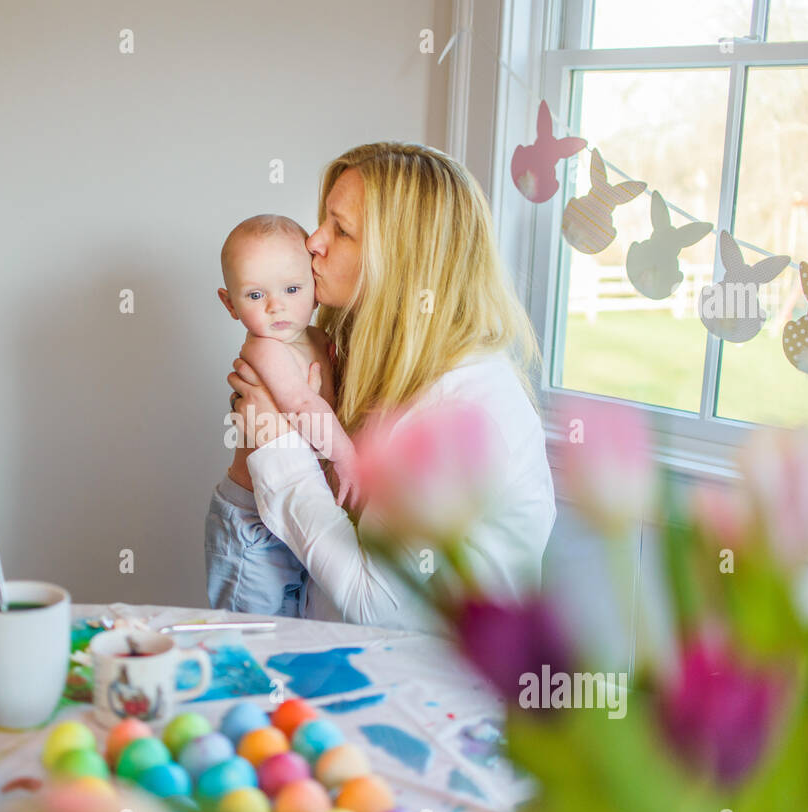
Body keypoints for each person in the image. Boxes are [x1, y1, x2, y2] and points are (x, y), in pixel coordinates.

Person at [218, 141, 556, 632]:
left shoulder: (465, 415)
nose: (313, 241)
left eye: (341, 229)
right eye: (322, 221)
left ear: (402, 263)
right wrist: (252, 464)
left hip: (418, 698)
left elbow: (376, 603)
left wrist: (277, 448)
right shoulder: (363, 361)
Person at [203, 214, 356, 617]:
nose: (276, 306)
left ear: (315, 288)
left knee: (296, 630)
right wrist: (347, 455)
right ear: (230, 303)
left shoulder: (322, 339)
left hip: (294, 507)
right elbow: (305, 406)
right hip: (251, 522)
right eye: (255, 296)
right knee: (251, 635)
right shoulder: (265, 348)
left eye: (292, 288)